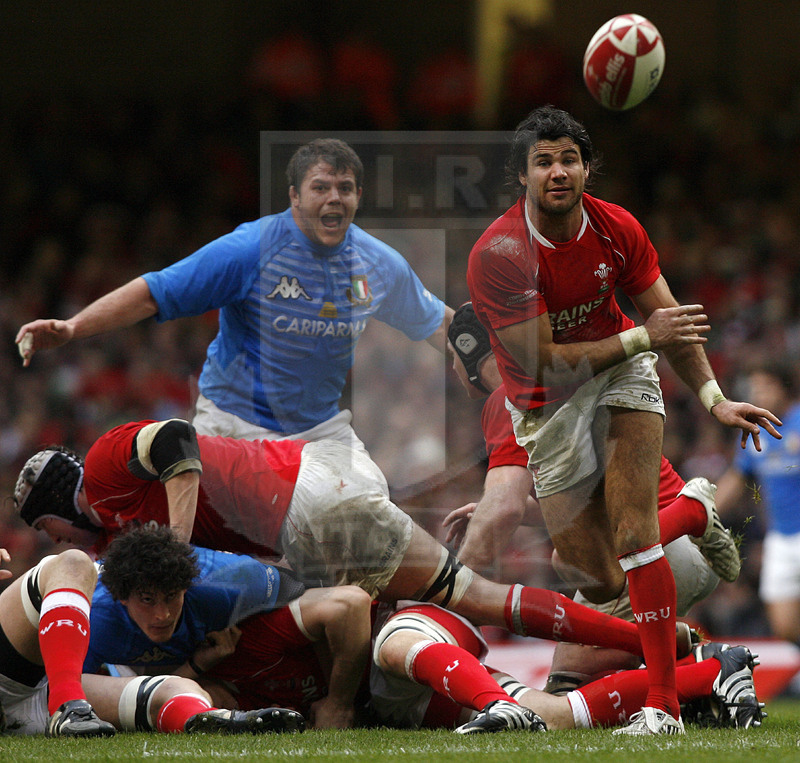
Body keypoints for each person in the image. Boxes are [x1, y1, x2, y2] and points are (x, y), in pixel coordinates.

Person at [465, 105, 782, 735]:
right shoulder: (499, 254)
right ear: (521, 177)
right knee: (591, 570)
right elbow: (548, 363)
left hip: (621, 377)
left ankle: (661, 706)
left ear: (587, 167)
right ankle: (694, 511)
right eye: (543, 160)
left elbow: (672, 324)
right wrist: (643, 337)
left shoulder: (617, 228)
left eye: (569, 158)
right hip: (548, 402)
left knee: (636, 534)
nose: (558, 171)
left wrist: (715, 399)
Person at [14, 421, 698, 665]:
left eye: (48, 533)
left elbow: (175, 442)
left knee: (475, 596)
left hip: (305, 504)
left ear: (52, 515)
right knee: (443, 603)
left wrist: (181, 553)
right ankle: (664, 649)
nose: (62, 546)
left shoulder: (105, 467)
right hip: (308, 501)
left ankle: (665, 648)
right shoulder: (119, 530)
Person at [93, 528, 764, 735]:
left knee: (395, 637)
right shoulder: (216, 685)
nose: (161, 617)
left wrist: (334, 697)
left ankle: (500, 705)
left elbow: (351, 603)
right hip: (398, 696)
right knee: (554, 716)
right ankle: (714, 669)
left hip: (415, 630)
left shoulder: (248, 616)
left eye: (169, 600)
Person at [15, 138, 454, 452]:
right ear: (295, 197)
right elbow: (154, 291)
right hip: (233, 425)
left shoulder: (379, 263)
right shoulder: (250, 249)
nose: (333, 199)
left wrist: (508, 367)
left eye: (344, 189)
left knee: (367, 525)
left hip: (320, 432)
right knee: (233, 554)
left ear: (359, 196)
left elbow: (442, 325)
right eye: (320, 187)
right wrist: (73, 328)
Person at [443, 301, 733, 693]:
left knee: (568, 683)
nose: (451, 368)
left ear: (468, 350)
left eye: (451, 356)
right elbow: (573, 511)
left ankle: (716, 671)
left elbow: (504, 508)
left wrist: (444, 597)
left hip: (652, 546)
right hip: (667, 542)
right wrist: (502, 511)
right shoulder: (553, 379)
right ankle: (696, 663)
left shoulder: (511, 396)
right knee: (571, 566)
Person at [0, 545, 303, 737]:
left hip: (43, 697)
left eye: (171, 597)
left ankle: (212, 722)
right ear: (123, 598)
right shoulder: (102, 617)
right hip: (36, 689)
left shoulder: (221, 586)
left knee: (177, 688)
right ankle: (69, 706)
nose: (163, 614)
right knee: (74, 562)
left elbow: (296, 583)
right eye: (147, 600)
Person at [714, 362, 800, 644]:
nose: (758, 393)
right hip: (780, 538)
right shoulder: (755, 433)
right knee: (784, 626)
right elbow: (736, 480)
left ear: (783, 386)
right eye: (754, 388)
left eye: (765, 385)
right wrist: (701, 514)